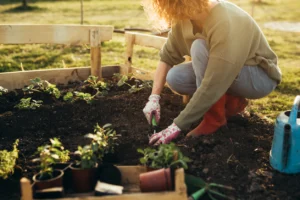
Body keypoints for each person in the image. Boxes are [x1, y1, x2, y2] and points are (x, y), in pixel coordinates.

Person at [142, 0, 282, 145]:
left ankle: (214, 119)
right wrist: (154, 98)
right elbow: (166, 57)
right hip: (226, 70)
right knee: (176, 77)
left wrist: (176, 126)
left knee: (198, 47)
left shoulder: (224, 21)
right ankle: (231, 101)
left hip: (258, 76)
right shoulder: (184, 18)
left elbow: (213, 82)